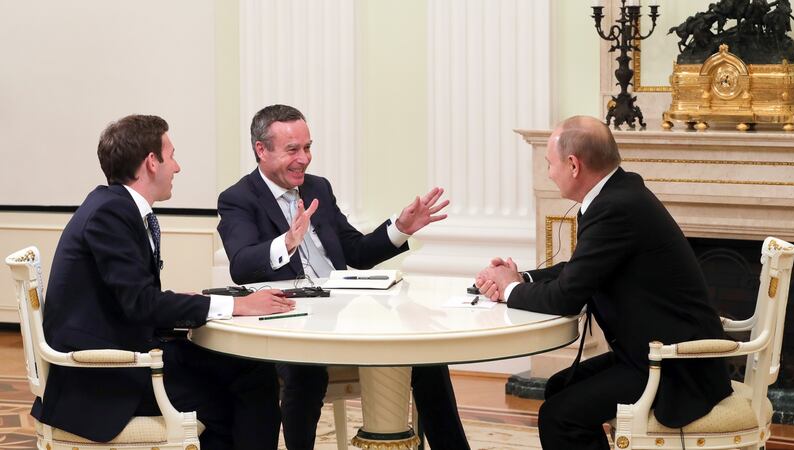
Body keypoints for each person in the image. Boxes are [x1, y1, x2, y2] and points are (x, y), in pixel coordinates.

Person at [217, 104, 470, 450]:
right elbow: (242, 265)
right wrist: (287, 243)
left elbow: (357, 253)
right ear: (261, 150)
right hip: (289, 322)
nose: (304, 159)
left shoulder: (318, 187)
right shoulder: (239, 199)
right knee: (304, 369)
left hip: (342, 312)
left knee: (423, 351)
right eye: (292, 150)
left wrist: (400, 229)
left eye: (307, 148)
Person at [37, 115, 296, 449]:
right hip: (103, 377)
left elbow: (133, 298)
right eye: (171, 156)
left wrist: (187, 306)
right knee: (239, 390)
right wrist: (236, 305)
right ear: (151, 162)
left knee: (247, 370)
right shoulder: (111, 214)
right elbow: (142, 303)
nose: (177, 167)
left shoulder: (114, 206)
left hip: (127, 348)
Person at [475, 116, 732, 450]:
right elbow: (581, 271)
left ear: (573, 165)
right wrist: (521, 278)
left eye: (549, 164)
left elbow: (567, 297)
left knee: (559, 415)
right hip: (651, 353)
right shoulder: (617, 194)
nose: (549, 173)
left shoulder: (616, 207)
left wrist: (509, 289)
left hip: (675, 368)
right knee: (559, 388)